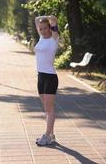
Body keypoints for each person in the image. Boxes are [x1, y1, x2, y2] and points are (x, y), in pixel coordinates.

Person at [34, 15, 59, 146]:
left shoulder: (54, 39)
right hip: (41, 77)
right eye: (41, 29)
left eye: (45, 28)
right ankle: (52, 135)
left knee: (49, 109)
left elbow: (54, 20)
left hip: (50, 77)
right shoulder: (41, 38)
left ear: (50, 28)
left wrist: (50, 18)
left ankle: (46, 135)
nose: (43, 30)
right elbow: (36, 19)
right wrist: (43, 18)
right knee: (47, 109)